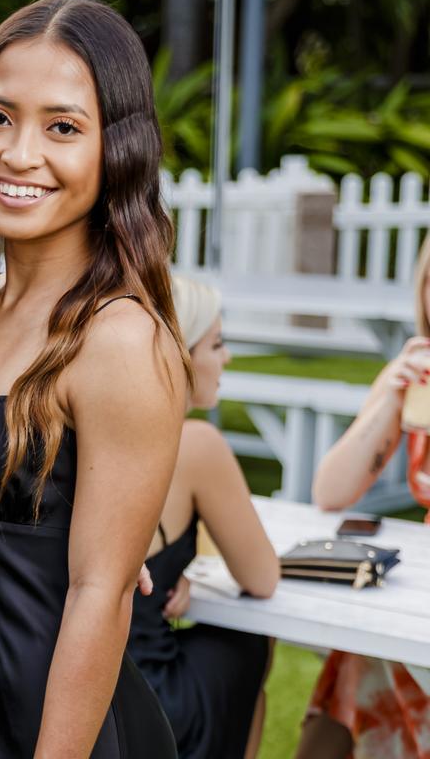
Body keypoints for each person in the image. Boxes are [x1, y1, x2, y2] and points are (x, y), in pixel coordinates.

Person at [0, 0, 189, 756]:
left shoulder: (121, 339)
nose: (18, 153)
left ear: (116, 149)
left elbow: (100, 597)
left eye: (62, 127)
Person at [127, 275, 279, 759]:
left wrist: (179, 568)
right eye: (216, 343)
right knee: (251, 641)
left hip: (67, 684)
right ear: (181, 356)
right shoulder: (194, 445)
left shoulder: (85, 432)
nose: (226, 357)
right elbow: (262, 577)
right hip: (146, 698)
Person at [296, 238, 430, 759]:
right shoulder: (416, 369)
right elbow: (329, 492)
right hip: (417, 590)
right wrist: (388, 401)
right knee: (358, 657)